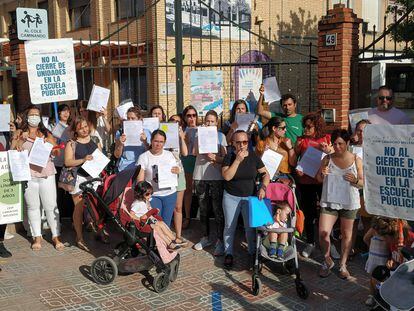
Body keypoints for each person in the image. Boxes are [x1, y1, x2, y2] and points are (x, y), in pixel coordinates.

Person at [11, 105, 64, 251]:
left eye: (37, 115)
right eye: (31, 114)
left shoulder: (45, 133)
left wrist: (53, 148)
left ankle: (55, 235)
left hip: (46, 173)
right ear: (27, 116)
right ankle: (37, 236)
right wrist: (21, 140)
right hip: (28, 175)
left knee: (51, 206)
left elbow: (57, 151)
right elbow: (12, 150)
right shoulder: (20, 132)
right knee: (32, 207)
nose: (34, 117)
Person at [316, 129, 363, 279]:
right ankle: (327, 260)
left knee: (346, 235)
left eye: (341, 144)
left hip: (349, 202)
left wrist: (355, 180)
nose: (337, 147)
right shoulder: (327, 159)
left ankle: (343, 265)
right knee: (323, 233)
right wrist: (322, 174)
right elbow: (318, 179)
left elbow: (362, 184)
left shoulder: (356, 159)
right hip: (330, 200)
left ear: (348, 143)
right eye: (334, 144)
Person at [222, 130, 270, 269]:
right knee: (230, 226)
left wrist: (263, 187)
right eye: (239, 142)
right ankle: (228, 253)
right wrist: (237, 160)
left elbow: (265, 174)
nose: (242, 145)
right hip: (231, 196)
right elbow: (227, 176)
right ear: (233, 144)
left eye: (245, 142)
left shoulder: (254, 157)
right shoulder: (229, 157)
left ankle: (252, 253)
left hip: (250, 197)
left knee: (250, 228)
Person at [295, 112, 333, 258]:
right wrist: (298, 166)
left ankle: (329, 243)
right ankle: (310, 242)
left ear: (317, 127)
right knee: (309, 214)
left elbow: (335, 155)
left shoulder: (326, 139)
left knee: (326, 212)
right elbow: (295, 161)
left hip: (323, 181)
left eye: (309, 127)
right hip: (306, 181)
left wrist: (329, 150)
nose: (306, 129)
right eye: (304, 126)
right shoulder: (301, 140)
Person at [193, 110, 227, 255]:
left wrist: (214, 158)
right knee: (203, 208)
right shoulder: (198, 134)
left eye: (212, 121)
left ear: (216, 123)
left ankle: (220, 240)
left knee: (218, 209)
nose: (209, 123)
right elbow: (194, 152)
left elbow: (225, 157)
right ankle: (205, 237)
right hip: (200, 175)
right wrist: (199, 139)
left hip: (216, 176)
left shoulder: (221, 136)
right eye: (207, 121)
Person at [64, 116, 100, 251]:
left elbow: (100, 157)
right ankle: (79, 237)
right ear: (75, 130)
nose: (84, 130)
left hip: (94, 177)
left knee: (96, 208)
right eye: (81, 128)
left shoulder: (95, 140)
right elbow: (68, 162)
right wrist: (83, 160)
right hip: (79, 178)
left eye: (86, 126)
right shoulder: (71, 143)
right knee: (79, 208)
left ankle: (99, 231)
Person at [365, 219, 414, 308]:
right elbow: (393, 255)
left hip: (409, 276)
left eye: (385, 238)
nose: (385, 241)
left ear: (392, 235)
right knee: (377, 273)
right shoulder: (392, 240)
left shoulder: (411, 239)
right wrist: (391, 260)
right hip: (397, 272)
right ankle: (381, 297)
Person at [137, 130, 180, 227]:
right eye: (156, 141)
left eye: (161, 142)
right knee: (155, 223)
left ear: (164, 143)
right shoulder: (143, 157)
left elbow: (177, 168)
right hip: (153, 195)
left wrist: (177, 170)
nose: (158, 144)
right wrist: (144, 195)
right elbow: (140, 180)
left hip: (169, 194)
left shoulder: (169, 155)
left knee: (166, 224)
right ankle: (156, 242)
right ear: (151, 141)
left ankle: (166, 242)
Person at [130, 181, 181, 251]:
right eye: (147, 194)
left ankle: (173, 239)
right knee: (157, 228)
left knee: (162, 224)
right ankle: (169, 243)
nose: (150, 196)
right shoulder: (136, 204)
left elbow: (147, 209)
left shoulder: (145, 201)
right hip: (142, 223)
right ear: (140, 194)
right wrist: (139, 219)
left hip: (149, 220)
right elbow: (131, 215)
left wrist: (151, 209)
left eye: (151, 193)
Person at [168, 114, 189, 246]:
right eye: (172, 121)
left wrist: (181, 138)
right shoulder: (163, 135)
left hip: (178, 173)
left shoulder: (181, 137)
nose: (175, 123)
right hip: (165, 174)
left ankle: (178, 235)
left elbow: (185, 153)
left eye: (178, 122)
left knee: (178, 206)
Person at [52, 104, 74, 219]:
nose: (66, 113)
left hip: (68, 162)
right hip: (59, 163)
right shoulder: (56, 128)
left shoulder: (70, 126)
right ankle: (60, 215)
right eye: (63, 111)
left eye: (68, 111)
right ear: (58, 113)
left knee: (69, 188)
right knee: (60, 190)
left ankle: (70, 214)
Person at [114, 107, 149, 172]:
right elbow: (117, 155)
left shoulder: (146, 132)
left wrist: (145, 142)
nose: (130, 121)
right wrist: (121, 144)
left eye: (133, 118)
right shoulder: (120, 132)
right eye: (128, 118)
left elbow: (150, 153)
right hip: (125, 169)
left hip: (141, 168)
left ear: (139, 119)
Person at [181, 105, 199, 229]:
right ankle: (187, 217)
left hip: (200, 160)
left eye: (194, 115)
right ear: (185, 118)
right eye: (189, 116)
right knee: (187, 190)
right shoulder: (183, 130)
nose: (192, 118)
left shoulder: (202, 129)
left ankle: (201, 217)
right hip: (187, 160)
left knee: (201, 190)